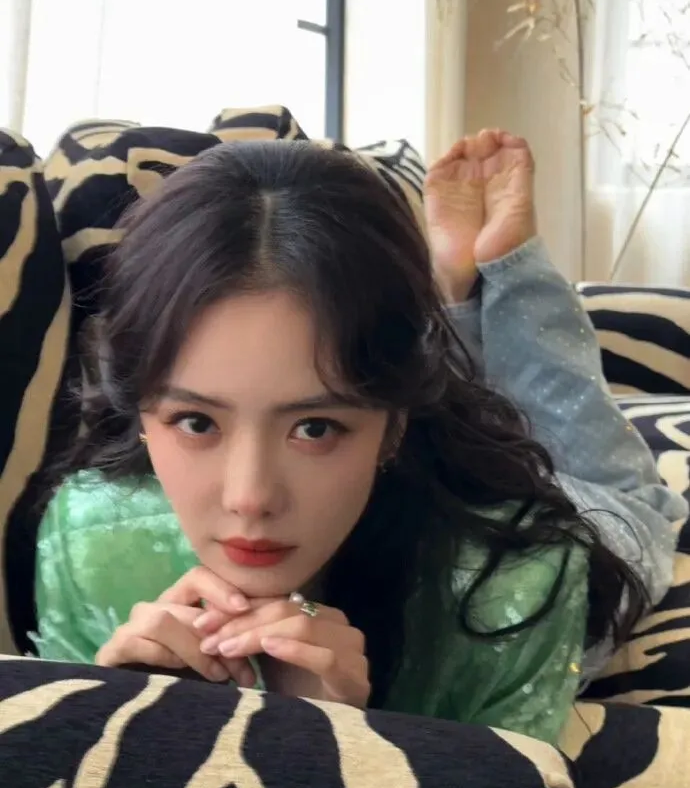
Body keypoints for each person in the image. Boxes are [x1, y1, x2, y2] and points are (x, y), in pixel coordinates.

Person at [32, 130, 686, 746]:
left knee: (620, 490)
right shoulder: (87, 547)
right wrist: (110, 721)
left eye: (314, 428)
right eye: (197, 422)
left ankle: (506, 267)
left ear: (395, 423)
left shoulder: (514, 590)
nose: (250, 498)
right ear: (141, 413)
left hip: (514, 507)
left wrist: (351, 749)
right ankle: (451, 301)